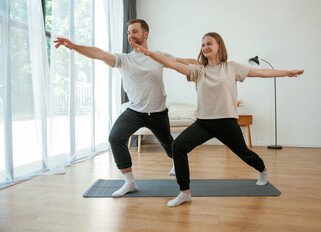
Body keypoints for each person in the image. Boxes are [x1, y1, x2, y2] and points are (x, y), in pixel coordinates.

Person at [130, 32, 304, 207]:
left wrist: (287, 72)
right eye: (203, 45)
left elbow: (262, 72)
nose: (205, 47)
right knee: (178, 147)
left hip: (226, 122)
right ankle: (185, 192)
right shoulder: (198, 70)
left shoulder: (232, 67)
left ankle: (263, 170)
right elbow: (173, 65)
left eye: (209, 44)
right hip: (203, 123)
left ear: (219, 45)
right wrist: (149, 54)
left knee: (244, 153)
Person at [54, 19, 197, 197]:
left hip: (158, 112)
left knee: (169, 144)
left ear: (146, 34)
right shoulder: (124, 59)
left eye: (135, 31)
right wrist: (74, 46)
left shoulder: (158, 56)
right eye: (129, 32)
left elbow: (184, 62)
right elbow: (98, 54)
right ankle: (129, 182)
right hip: (135, 111)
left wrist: (210, 64)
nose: (131, 35)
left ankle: (176, 161)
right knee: (115, 137)